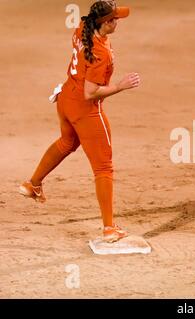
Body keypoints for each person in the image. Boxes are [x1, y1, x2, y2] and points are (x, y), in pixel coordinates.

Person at [19, 0, 140, 243]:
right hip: (85, 108)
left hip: (66, 99)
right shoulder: (100, 54)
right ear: (106, 23)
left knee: (67, 142)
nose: (118, 22)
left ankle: (33, 184)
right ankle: (109, 229)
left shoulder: (84, 27)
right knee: (103, 167)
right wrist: (119, 86)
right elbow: (90, 92)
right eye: (114, 19)